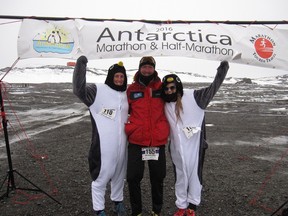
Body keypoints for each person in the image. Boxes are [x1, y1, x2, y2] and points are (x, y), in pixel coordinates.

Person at [161, 61, 230, 216]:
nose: (169, 90)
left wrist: (223, 67)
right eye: (166, 88)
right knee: (180, 177)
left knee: (194, 176)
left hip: (194, 146)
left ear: (178, 87)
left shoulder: (194, 97)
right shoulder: (164, 103)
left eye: (172, 87)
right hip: (176, 149)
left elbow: (214, 87)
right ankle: (181, 206)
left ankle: (192, 207)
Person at [73, 55, 129, 216]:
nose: (119, 79)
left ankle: (118, 202)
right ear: (110, 77)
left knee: (119, 175)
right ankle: (99, 209)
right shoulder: (98, 90)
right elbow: (78, 90)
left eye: (121, 76)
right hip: (103, 147)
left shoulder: (127, 94)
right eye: (116, 76)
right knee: (101, 177)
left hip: (122, 146)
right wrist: (81, 64)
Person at [125, 56, 170, 216]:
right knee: (132, 177)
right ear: (139, 68)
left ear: (154, 69)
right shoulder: (131, 89)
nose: (147, 70)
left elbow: (174, 100)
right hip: (137, 140)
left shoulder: (162, 87)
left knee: (157, 177)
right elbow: (123, 109)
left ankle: (156, 210)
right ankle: (136, 211)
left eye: (150, 67)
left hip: (156, 141)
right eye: (144, 67)